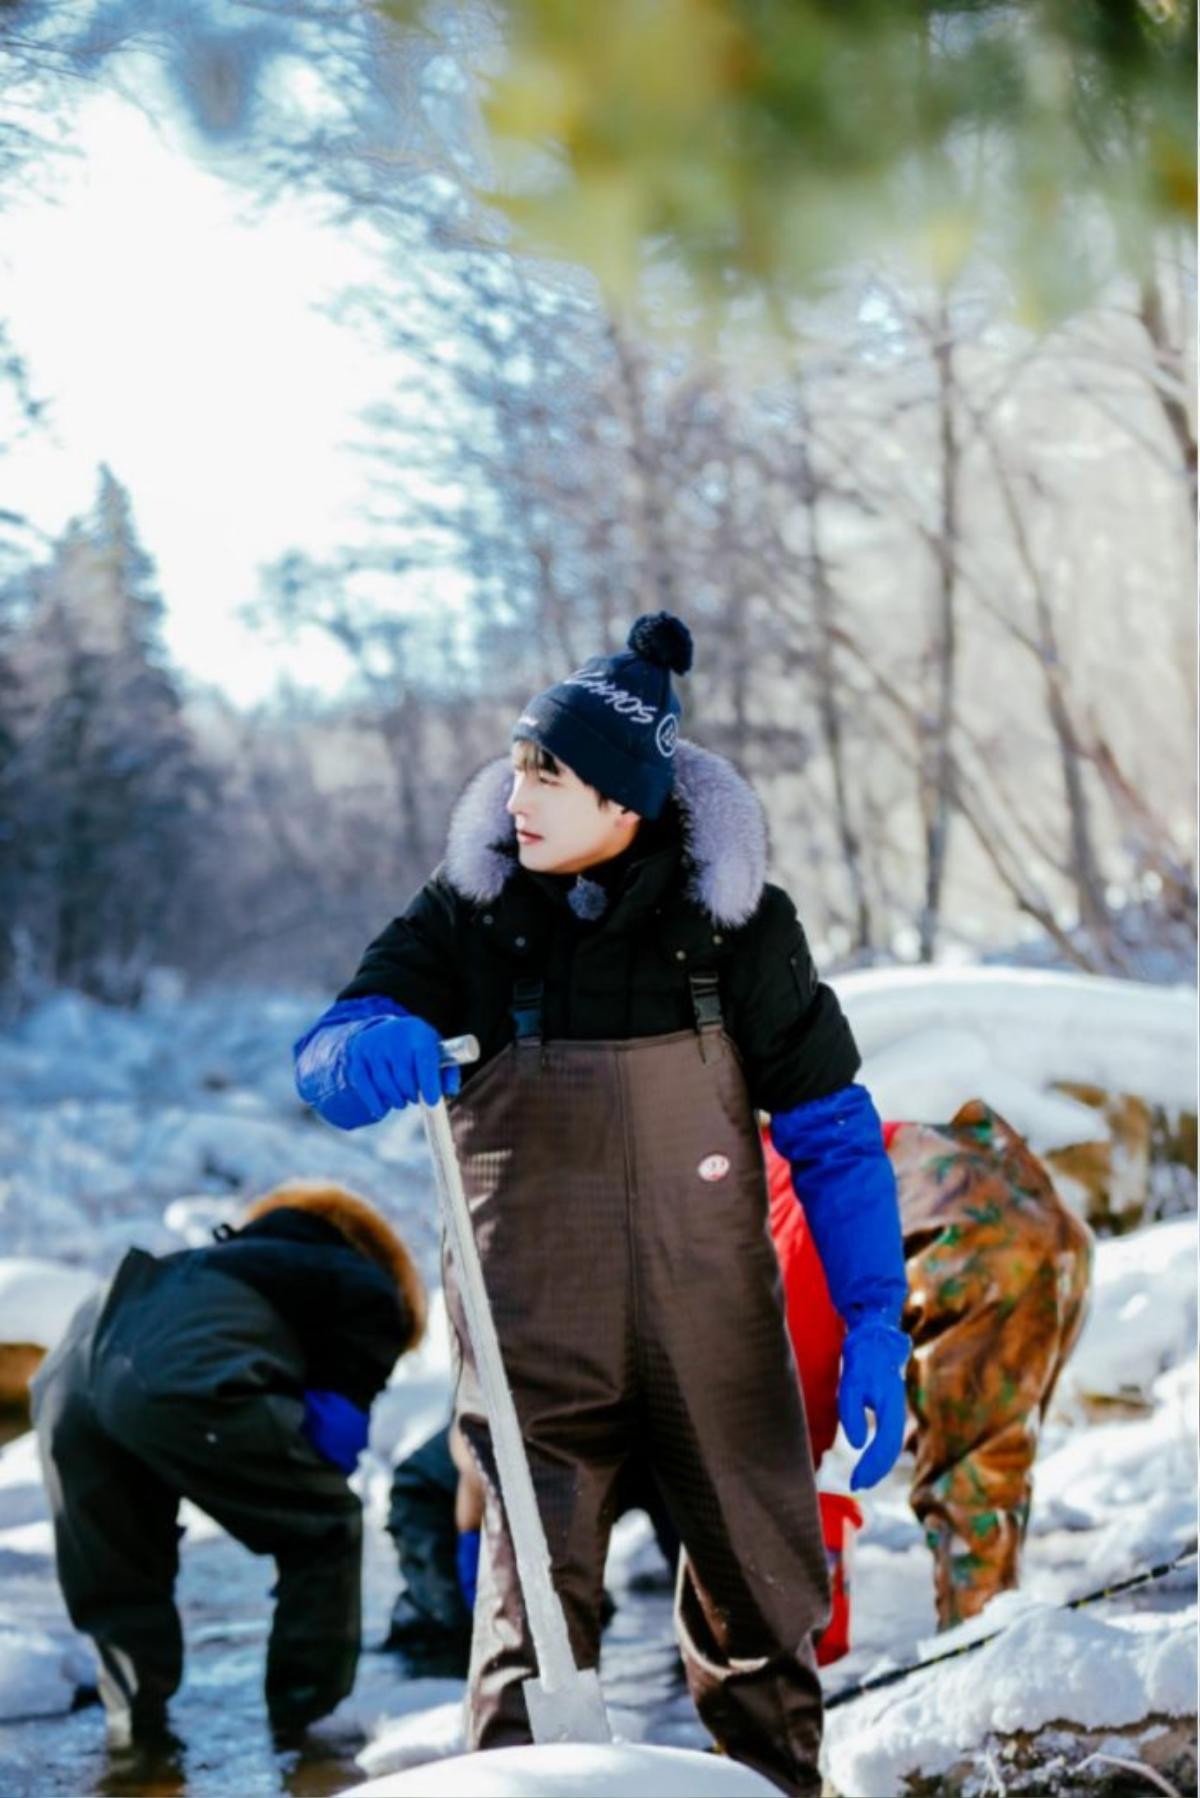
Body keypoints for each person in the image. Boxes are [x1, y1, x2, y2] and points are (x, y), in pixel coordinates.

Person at [293, 612, 909, 1798]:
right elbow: (328, 1047)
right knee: (529, 1671)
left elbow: (834, 1133)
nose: (516, 794)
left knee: (766, 1630)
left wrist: (876, 1316)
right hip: (533, 1357)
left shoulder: (737, 932)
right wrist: (361, 1048)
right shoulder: (468, 914)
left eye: (551, 774)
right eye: (520, 762)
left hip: (717, 1347)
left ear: (626, 801)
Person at [32, 1180, 425, 1750]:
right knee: (327, 1527)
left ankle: (138, 1749)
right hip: (173, 1371)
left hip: (68, 1371)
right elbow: (334, 1439)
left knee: (120, 1576)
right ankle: (306, 1736)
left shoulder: (214, 1262)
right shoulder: (362, 1283)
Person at [765, 1099, 1093, 1635]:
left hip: (971, 1244)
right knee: (992, 1468)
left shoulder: (764, 1199)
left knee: (973, 1487)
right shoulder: (788, 1160)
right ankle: (992, 1649)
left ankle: (980, 1681)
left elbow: (787, 1382)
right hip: (1053, 1233)